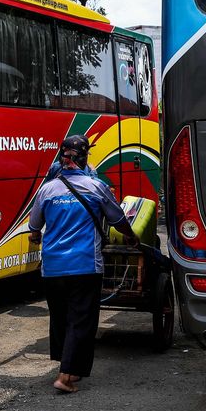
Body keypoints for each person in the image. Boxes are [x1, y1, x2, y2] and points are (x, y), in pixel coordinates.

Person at [29, 135, 137, 394]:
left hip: (53, 267)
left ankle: (68, 367)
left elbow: (34, 228)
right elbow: (117, 219)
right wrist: (131, 237)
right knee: (81, 320)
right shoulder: (96, 187)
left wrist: (38, 235)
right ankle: (65, 376)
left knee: (62, 318)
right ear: (85, 157)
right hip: (85, 265)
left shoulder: (47, 190)